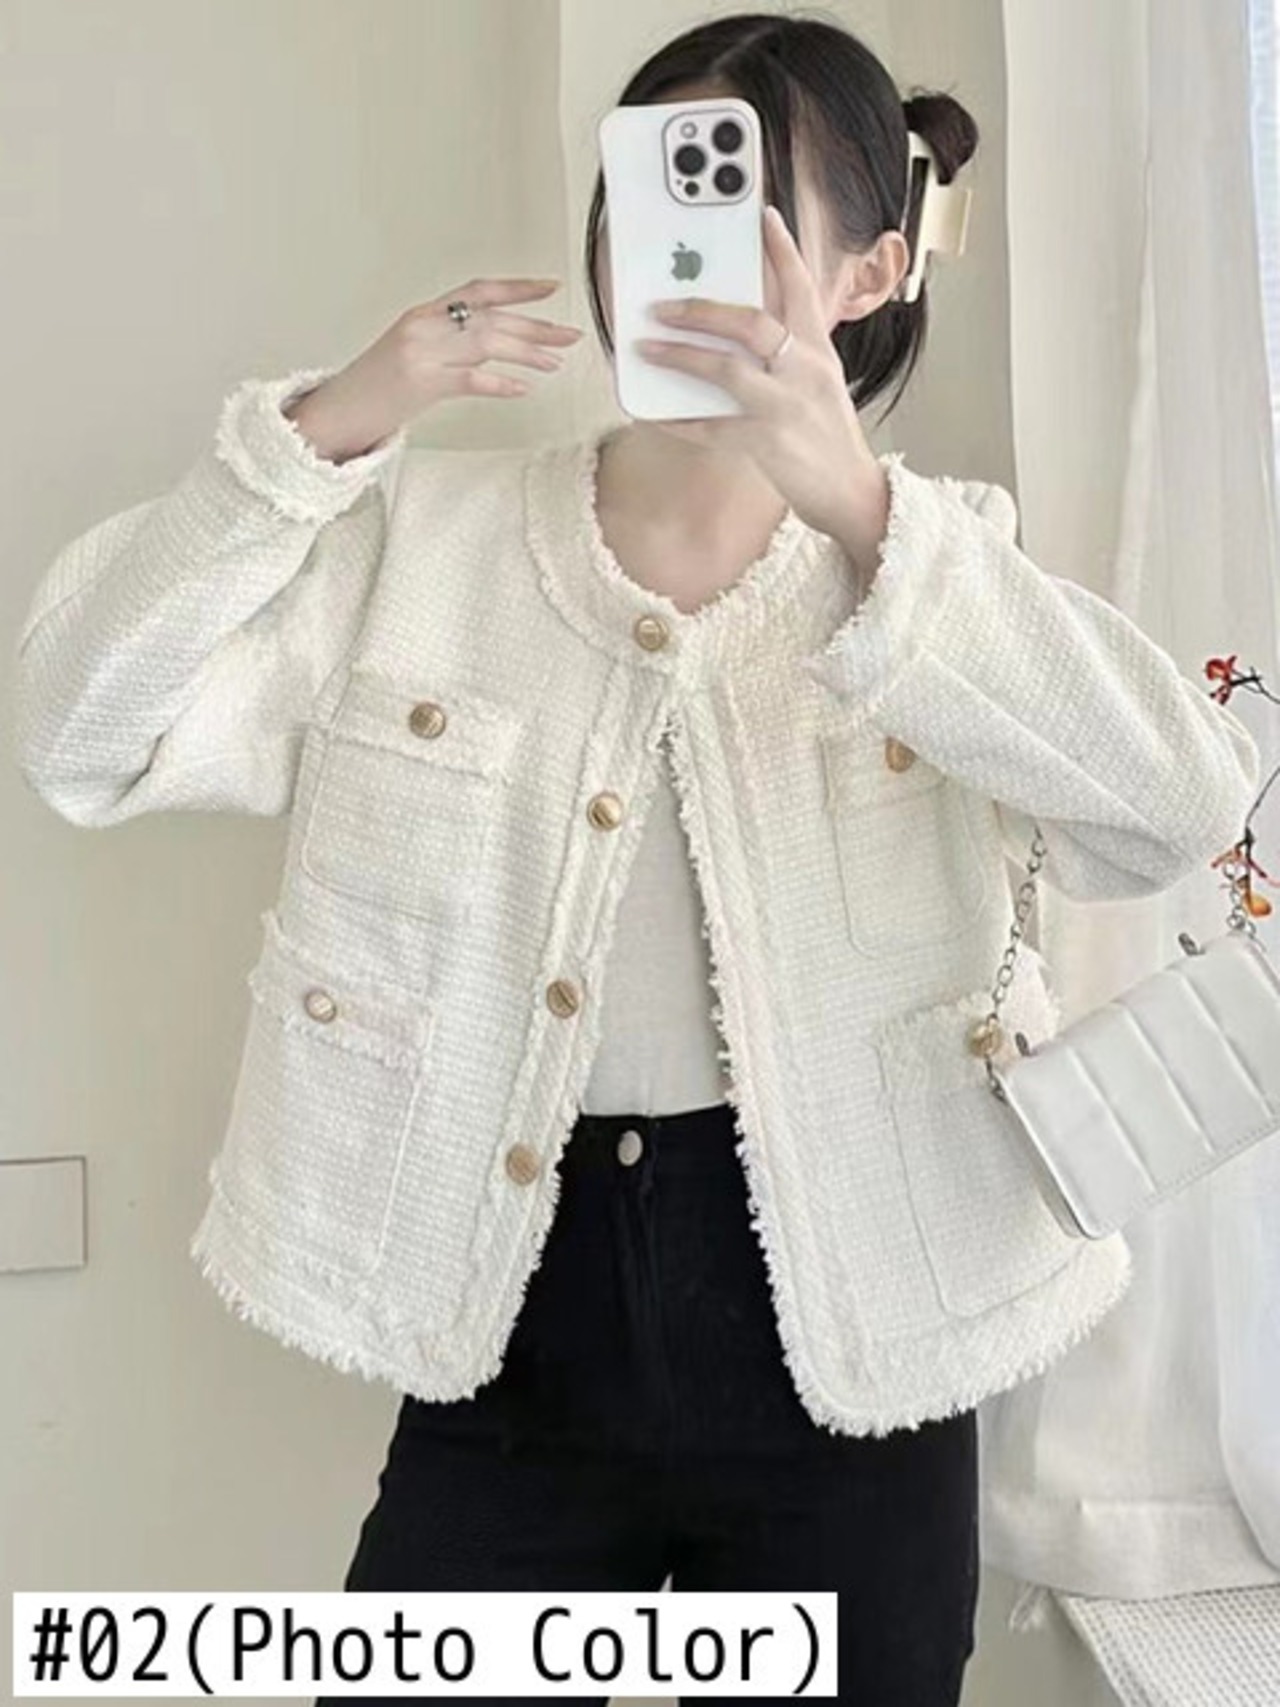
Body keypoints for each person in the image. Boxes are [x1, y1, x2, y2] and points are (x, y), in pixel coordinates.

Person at [11, 12, 1259, 1707]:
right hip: (511, 1338)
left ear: (873, 270)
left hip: (859, 1354)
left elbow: (1178, 808)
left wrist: (861, 509)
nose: (664, 247)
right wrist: (320, 435)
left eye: (737, 201)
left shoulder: (941, 568)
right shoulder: (423, 542)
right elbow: (80, 730)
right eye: (650, 187)